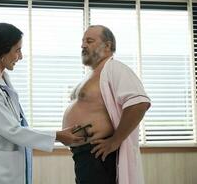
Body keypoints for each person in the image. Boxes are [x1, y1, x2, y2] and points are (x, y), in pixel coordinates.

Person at [0, 23, 84, 184]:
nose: (20, 57)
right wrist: (58, 135)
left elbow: (15, 124)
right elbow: (13, 130)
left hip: (5, 166)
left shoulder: (2, 80)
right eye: (18, 50)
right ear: (2, 52)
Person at [62, 25, 151, 184]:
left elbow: (139, 103)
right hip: (85, 155)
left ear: (108, 46)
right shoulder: (93, 75)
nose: (83, 45)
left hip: (100, 154)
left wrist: (115, 140)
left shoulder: (116, 69)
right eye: (82, 41)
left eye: (89, 41)